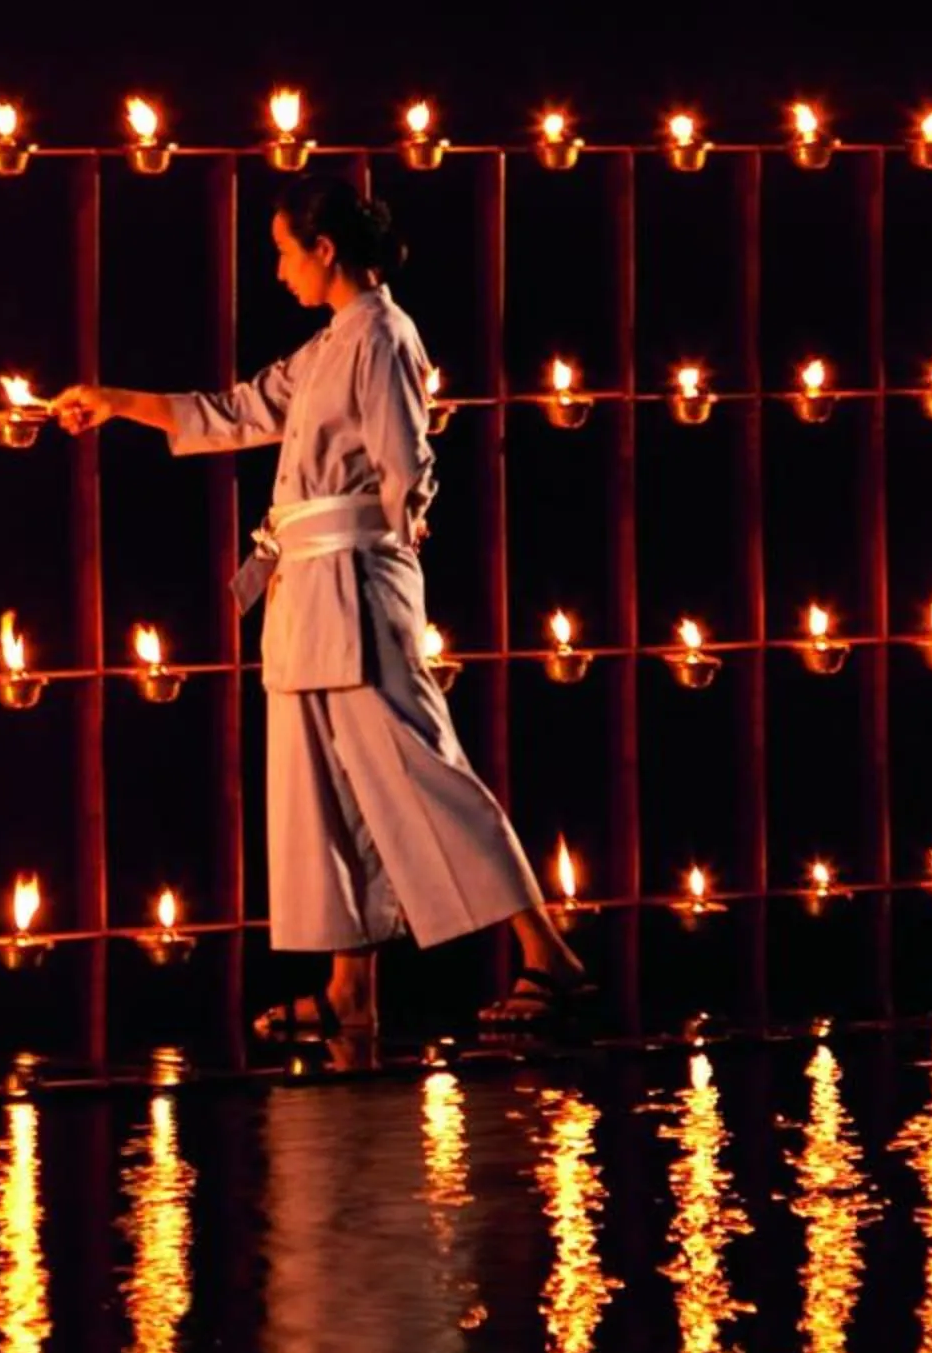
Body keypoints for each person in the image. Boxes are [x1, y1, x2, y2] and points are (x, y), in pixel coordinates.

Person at [46, 176, 589, 1038]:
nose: (279, 270)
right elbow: (236, 411)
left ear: (325, 250)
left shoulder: (384, 336)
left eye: (284, 252)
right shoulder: (330, 343)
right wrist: (116, 402)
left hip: (359, 587)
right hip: (305, 588)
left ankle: (548, 956)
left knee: (424, 770)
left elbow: (407, 464)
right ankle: (350, 992)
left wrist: (392, 549)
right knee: (324, 791)